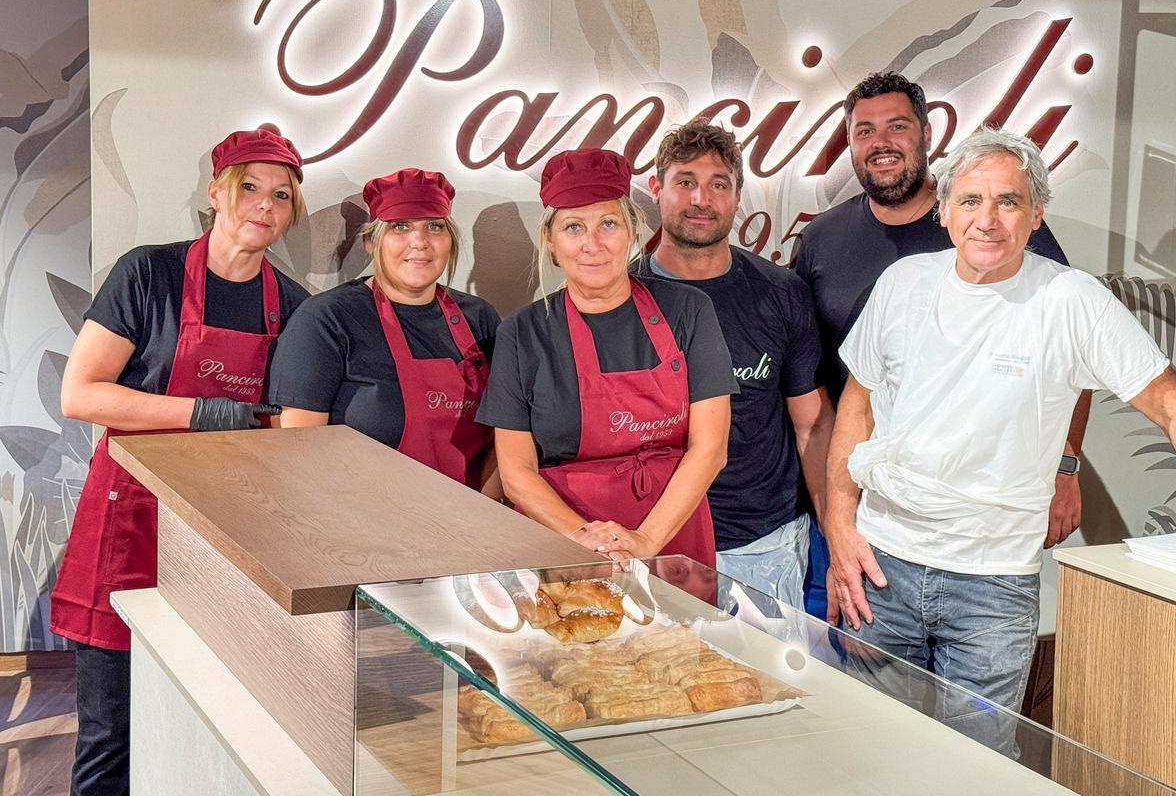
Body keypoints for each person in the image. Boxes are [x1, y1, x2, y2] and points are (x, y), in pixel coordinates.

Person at [823, 126, 1176, 754]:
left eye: (1008, 202)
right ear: (944, 209)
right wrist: (840, 528)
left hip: (992, 585)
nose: (988, 220)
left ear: (1037, 214)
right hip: (883, 568)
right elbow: (858, 403)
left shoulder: (1071, 299)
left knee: (976, 767)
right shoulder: (904, 284)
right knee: (864, 748)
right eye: (971, 201)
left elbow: (1174, 408)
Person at [50, 128, 310, 795]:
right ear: (216, 190)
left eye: (281, 195)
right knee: (112, 736)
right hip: (131, 524)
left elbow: (290, 429)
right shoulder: (150, 273)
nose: (264, 205)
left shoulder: (297, 308)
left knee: (207, 728)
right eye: (249, 186)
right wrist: (205, 412)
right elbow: (81, 394)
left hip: (229, 536)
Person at [795, 71, 1086, 620]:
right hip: (861, 498)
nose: (880, 143)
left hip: (975, 522)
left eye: (897, 127)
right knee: (861, 669)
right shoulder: (820, 239)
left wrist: (1065, 467)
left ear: (927, 134)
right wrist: (836, 514)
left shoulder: (991, 225)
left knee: (968, 694)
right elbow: (821, 387)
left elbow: (1070, 357)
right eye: (864, 131)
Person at [477, 147, 735, 564]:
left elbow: (710, 447)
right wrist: (583, 538)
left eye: (609, 224)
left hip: (670, 534)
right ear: (551, 240)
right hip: (562, 541)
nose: (592, 245)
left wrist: (647, 541)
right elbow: (516, 472)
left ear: (633, 230)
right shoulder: (521, 334)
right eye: (573, 227)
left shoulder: (689, 310)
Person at [635, 119, 833, 605]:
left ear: (738, 195)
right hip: (658, 543)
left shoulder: (780, 292)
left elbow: (811, 426)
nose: (701, 199)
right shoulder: (623, 298)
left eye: (718, 184)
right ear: (657, 189)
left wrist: (837, 540)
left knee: (770, 683)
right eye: (685, 182)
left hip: (765, 547)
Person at [270, 168, 500, 494]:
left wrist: (485, 515)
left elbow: (503, 438)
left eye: (434, 226)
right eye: (400, 227)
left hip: (469, 522)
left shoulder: (480, 318)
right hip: (361, 522)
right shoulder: (326, 319)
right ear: (370, 241)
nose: (419, 242)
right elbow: (299, 450)